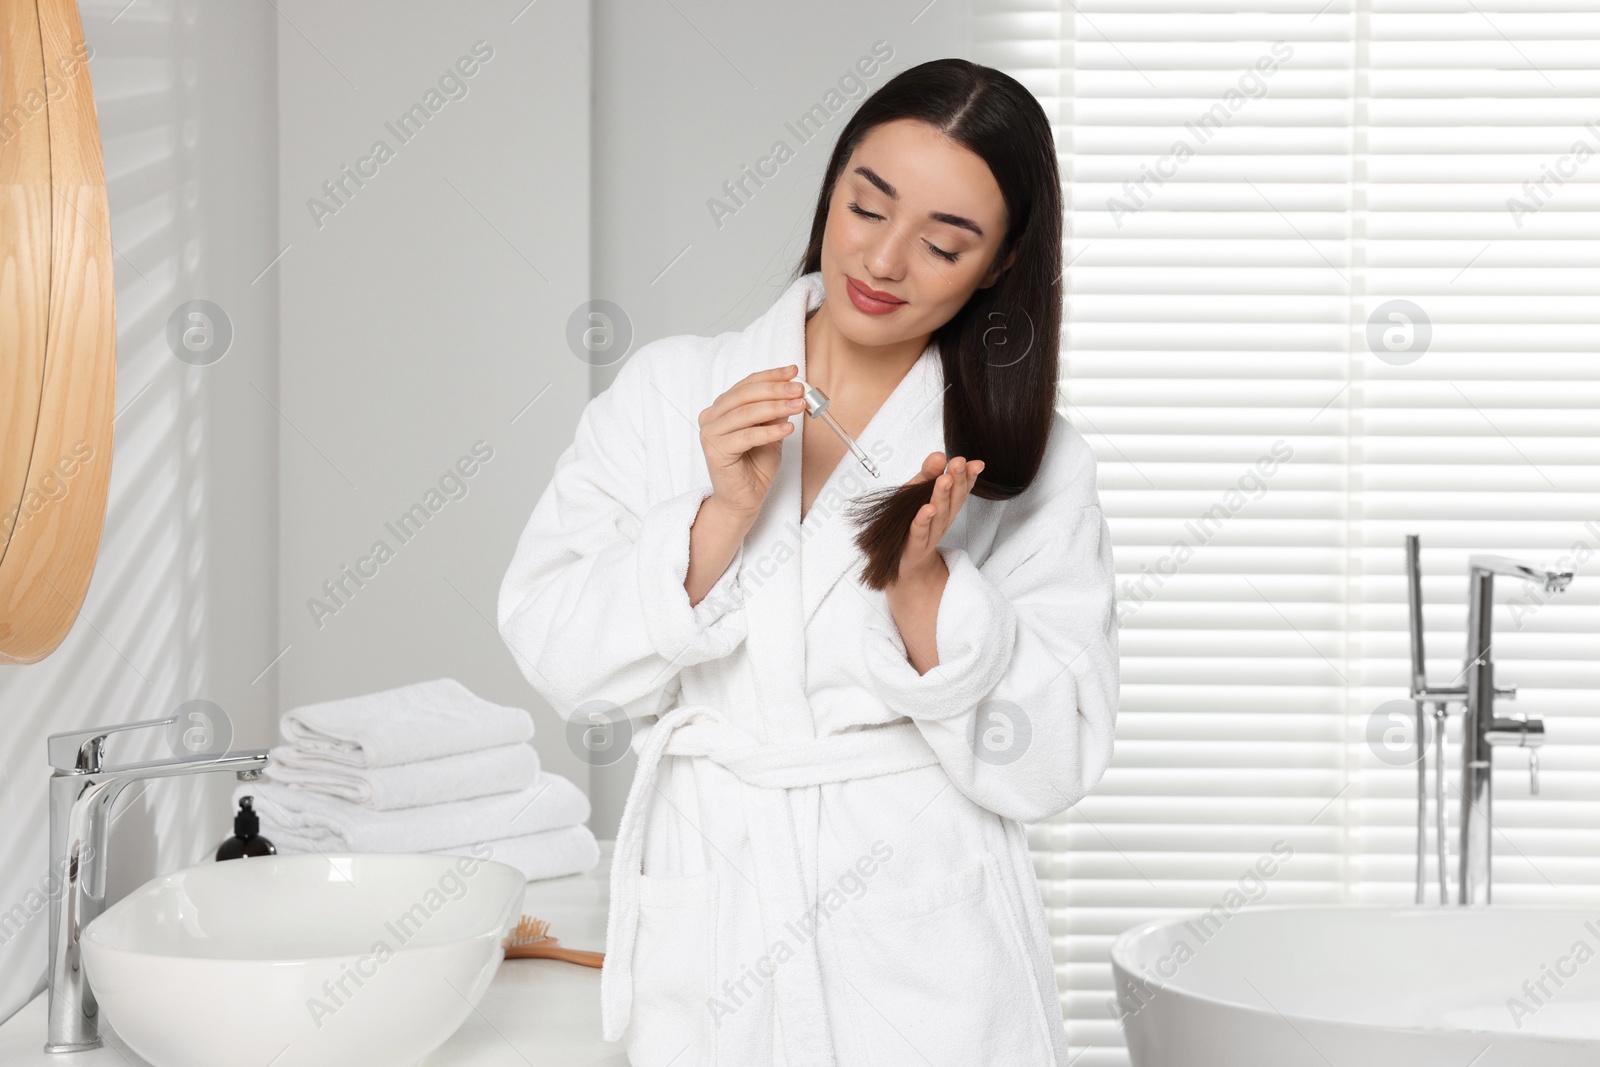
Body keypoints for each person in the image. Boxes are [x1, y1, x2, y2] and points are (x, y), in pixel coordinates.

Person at [498, 57, 1118, 1067]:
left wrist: (933, 605)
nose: (882, 260)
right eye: (865, 207)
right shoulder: (670, 395)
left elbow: (1050, 762)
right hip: (718, 913)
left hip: (924, 946)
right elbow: (556, 648)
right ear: (832, 186)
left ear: (999, 265)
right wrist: (715, 519)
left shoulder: (1030, 462)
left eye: (943, 242)